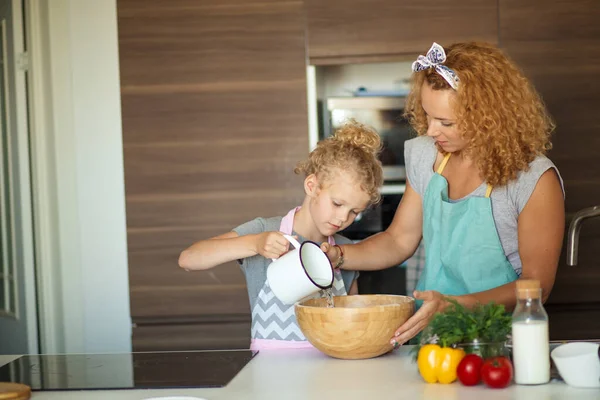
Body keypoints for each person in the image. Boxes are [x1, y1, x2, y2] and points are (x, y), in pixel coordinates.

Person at [320, 42, 565, 347]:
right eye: (427, 114)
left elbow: (537, 286)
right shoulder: (427, 155)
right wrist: (339, 256)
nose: (432, 130)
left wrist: (456, 303)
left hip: (502, 344)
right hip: (435, 337)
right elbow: (398, 240)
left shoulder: (533, 178)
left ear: (487, 117)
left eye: (446, 122)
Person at [178, 120, 384, 350]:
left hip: (328, 376)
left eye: (354, 212)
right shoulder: (263, 232)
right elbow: (189, 259)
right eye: (337, 203)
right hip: (270, 375)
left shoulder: (345, 252)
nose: (342, 218)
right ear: (311, 186)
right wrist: (254, 244)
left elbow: (350, 327)